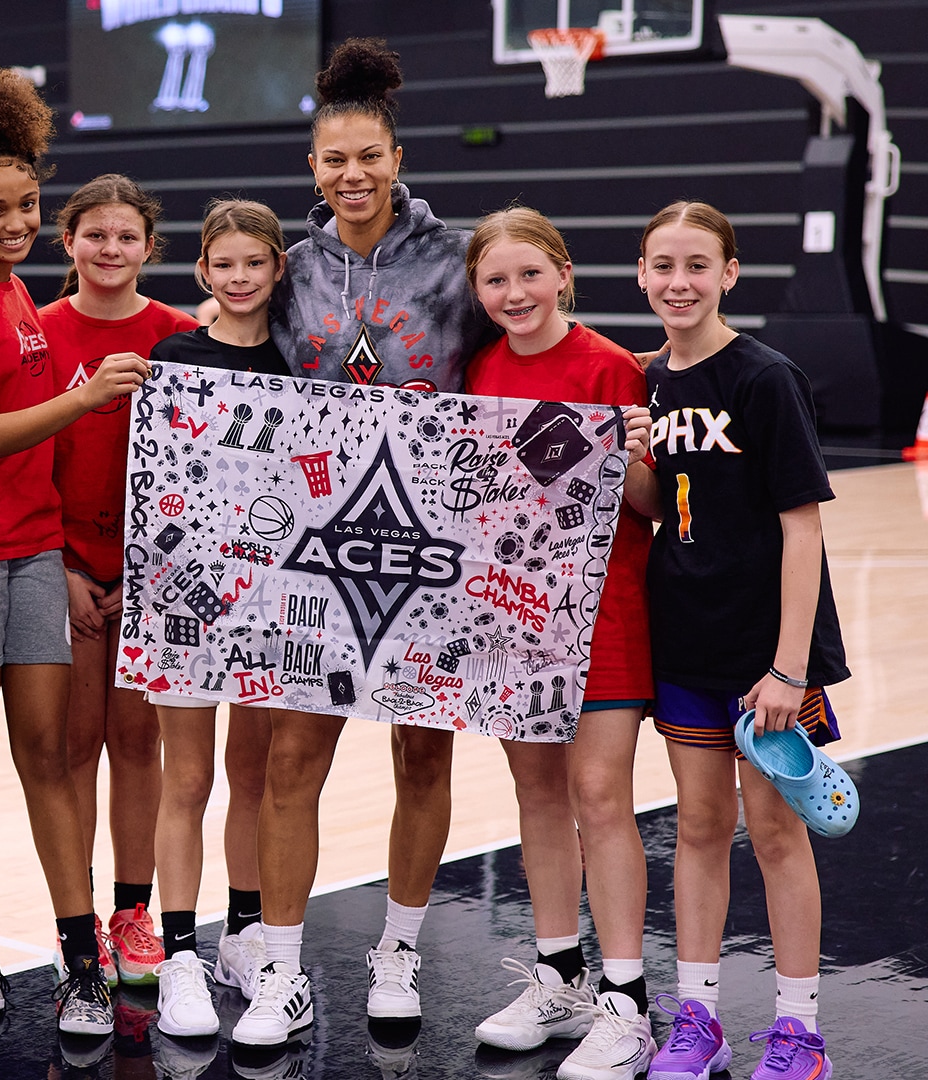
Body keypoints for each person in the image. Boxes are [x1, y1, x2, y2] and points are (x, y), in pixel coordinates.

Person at [237, 37, 501, 1046]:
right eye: (333, 160)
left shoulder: (459, 259)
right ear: (312, 168)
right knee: (290, 763)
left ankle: (398, 953)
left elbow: (528, 353)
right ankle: (284, 973)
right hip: (314, 556)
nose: (352, 175)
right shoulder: (289, 269)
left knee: (420, 761)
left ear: (397, 159)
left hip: (431, 545)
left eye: (369, 157)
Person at [0, 66, 150, 1036]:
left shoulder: (16, 297)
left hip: (37, 554)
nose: (12, 221)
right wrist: (86, 397)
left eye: (26, 206)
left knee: (47, 758)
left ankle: (79, 958)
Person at [623, 201, 847, 1080]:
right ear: (640, 275)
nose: (679, 283)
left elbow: (804, 529)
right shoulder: (646, 382)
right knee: (700, 827)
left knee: (777, 834)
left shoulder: (764, 377)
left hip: (769, 658)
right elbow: (650, 507)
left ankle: (799, 1034)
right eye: (663, 266)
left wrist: (789, 667)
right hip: (686, 643)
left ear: (729, 274)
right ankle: (698, 1021)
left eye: (697, 266)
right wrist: (638, 456)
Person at [461, 206, 660, 1080]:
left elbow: (651, 506)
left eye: (529, 275)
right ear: (478, 292)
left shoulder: (611, 365)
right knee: (537, 792)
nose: (515, 294)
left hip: (605, 614)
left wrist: (638, 457)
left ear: (564, 273)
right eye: (496, 281)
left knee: (599, 795)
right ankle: (559, 978)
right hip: (512, 618)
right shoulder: (480, 368)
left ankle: (626, 1002)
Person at [41, 173, 195, 997]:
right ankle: (77, 924)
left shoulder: (178, 333)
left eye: (125, 236)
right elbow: (21, 462)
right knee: (70, 749)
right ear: (68, 243)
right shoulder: (38, 334)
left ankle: (133, 912)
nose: (109, 249)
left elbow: (205, 473)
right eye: (94, 235)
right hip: (56, 570)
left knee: (139, 745)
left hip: (153, 577)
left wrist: (142, 571)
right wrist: (62, 566)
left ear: (147, 248)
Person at [140, 200, 288, 1040]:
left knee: (255, 777)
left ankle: (243, 932)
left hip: (273, 598)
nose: (238, 279)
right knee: (186, 777)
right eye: (223, 265)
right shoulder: (172, 357)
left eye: (253, 265)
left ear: (276, 270)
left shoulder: (302, 361)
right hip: (183, 596)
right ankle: (181, 957)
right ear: (203, 271)